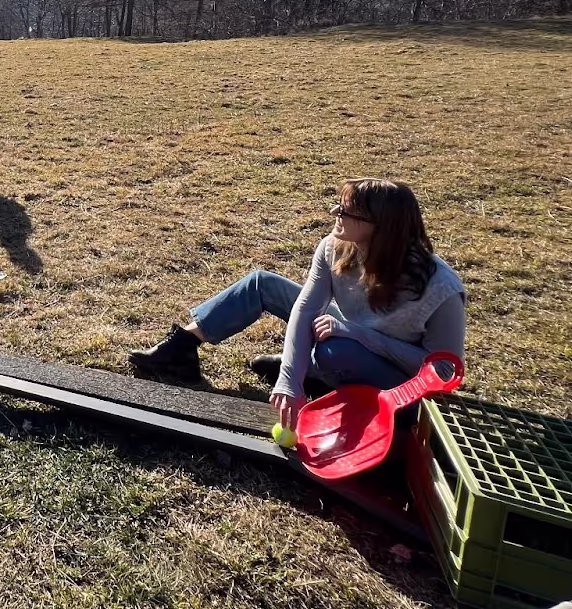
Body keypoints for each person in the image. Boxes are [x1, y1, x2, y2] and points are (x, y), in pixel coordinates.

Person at [128, 178, 467, 436]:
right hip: (347, 334)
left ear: (382, 226)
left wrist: (363, 337)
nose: (336, 213)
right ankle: (181, 349)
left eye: (347, 211)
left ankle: (318, 372)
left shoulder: (440, 288)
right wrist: (289, 381)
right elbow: (306, 310)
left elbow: (443, 373)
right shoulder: (335, 247)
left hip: (399, 380)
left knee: (338, 350)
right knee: (262, 283)